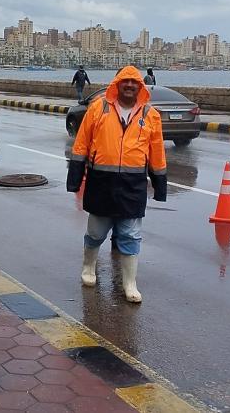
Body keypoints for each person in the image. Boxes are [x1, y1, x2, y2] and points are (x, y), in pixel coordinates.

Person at [66, 65, 167, 303]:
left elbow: (157, 152)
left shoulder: (149, 115)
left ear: (140, 87)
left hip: (133, 187)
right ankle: (89, 266)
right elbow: (81, 144)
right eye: (125, 82)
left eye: (134, 83)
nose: (130, 86)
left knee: (131, 235)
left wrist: (160, 185)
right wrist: (74, 178)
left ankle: (129, 283)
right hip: (101, 183)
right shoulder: (98, 108)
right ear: (117, 85)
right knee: (96, 232)